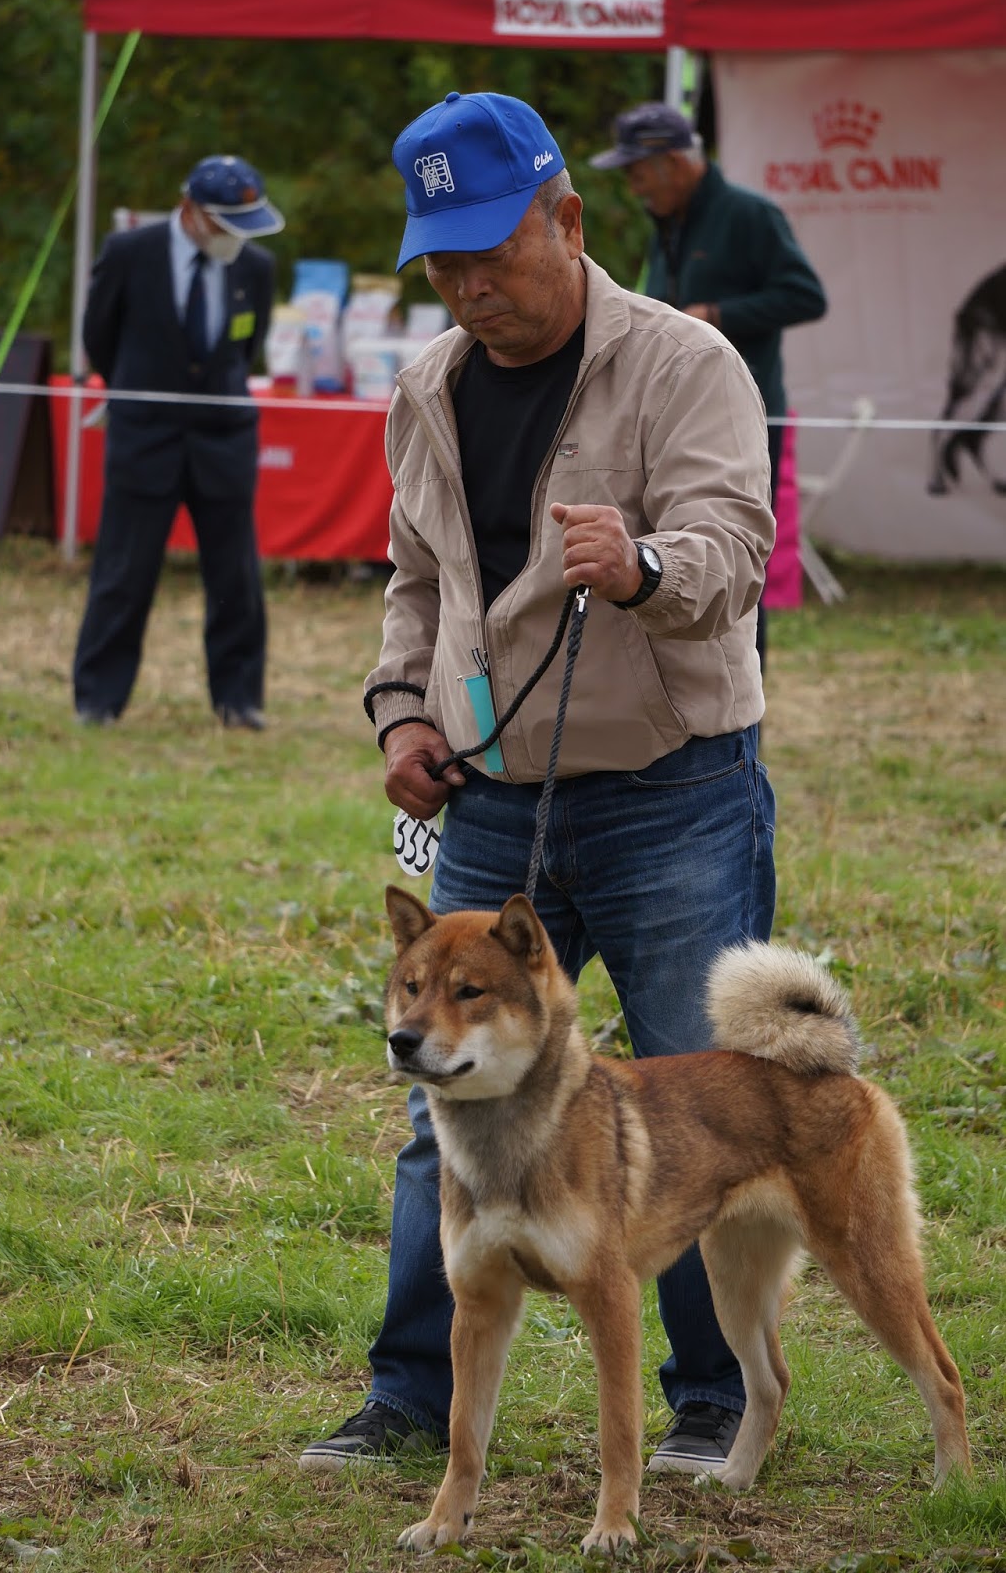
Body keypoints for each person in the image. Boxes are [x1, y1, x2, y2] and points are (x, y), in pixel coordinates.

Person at [298, 91, 777, 1480]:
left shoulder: (684, 363)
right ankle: (404, 1397)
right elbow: (418, 586)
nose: (468, 289)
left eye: (491, 257)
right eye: (441, 264)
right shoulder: (426, 386)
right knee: (440, 1101)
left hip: (670, 790)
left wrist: (639, 566)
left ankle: (707, 1401)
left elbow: (733, 552)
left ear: (566, 222)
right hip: (492, 798)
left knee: (697, 1094)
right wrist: (401, 717)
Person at [589, 101, 826, 669]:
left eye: (637, 170)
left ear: (672, 162)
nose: (632, 185)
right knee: (672, 556)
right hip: (665, 414)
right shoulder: (664, 221)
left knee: (737, 560)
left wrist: (717, 314)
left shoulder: (750, 215)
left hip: (742, 417)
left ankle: (744, 697)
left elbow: (807, 296)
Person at [72, 155, 283, 728]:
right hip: (145, 438)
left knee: (235, 577)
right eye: (224, 225)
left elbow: (247, 345)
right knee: (123, 572)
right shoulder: (128, 253)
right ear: (189, 210)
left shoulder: (254, 268)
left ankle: (238, 700)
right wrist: (140, 395)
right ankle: (98, 699)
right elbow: (100, 337)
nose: (234, 239)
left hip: (224, 441)